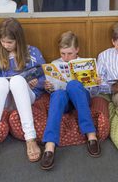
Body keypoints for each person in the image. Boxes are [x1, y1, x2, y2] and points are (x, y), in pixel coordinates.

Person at [0, 17, 46, 166]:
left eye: (9, 42)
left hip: (27, 96)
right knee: (1, 82)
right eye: (3, 41)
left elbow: (45, 77)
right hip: (5, 99)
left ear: (19, 40)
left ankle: (30, 138)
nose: (6, 45)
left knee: (17, 80)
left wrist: (35, 83)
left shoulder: (33, 52)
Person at [40, 31, 101, 170]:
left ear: (77, 50)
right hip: (65, 103)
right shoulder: (55, 65)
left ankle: (91, 135)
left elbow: (94, 93)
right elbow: (52, 88)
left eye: (70, 53)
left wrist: (96, 83)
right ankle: (50, 145)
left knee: (73, 85)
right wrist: (48, 87)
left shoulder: (86, 64)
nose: (66, 58)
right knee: (58, 94)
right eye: (63, 54)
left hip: (82, 99)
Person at [97, 22, 118, 106]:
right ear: (113, 42)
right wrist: (112, 88)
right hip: (114, 92)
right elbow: (98, 81)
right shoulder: (104, 56)